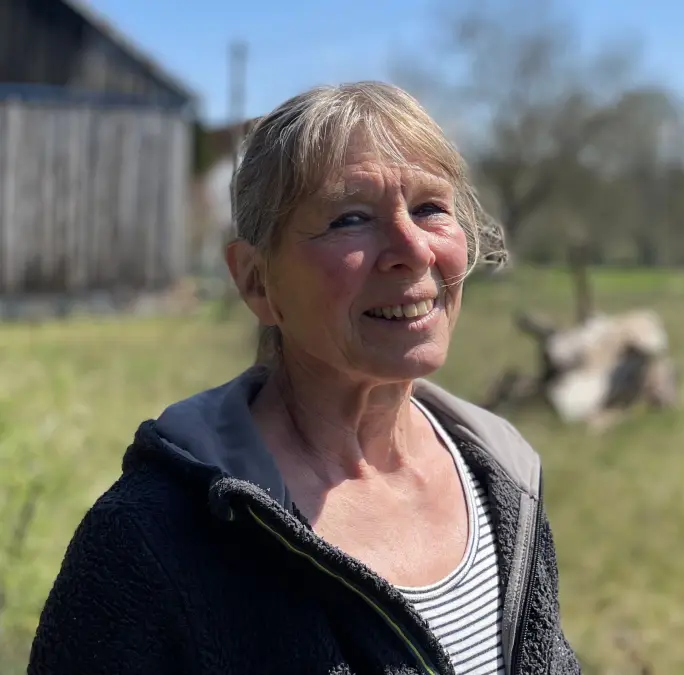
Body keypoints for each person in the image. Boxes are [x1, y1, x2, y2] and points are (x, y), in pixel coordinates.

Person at [28, 81, 581, 675]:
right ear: (256, 282)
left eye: (430, 208)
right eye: (350, 218)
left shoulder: (503, 480)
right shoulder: (153, 539)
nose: (412, 249)